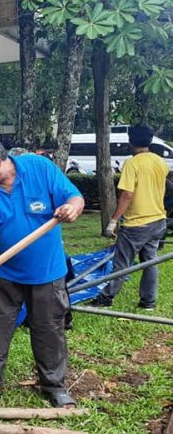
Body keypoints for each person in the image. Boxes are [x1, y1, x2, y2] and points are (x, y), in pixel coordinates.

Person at [0, 134, 84, 409]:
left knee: (49, 328)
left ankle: (54, 385)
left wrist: (72, 207)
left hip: (47, 272)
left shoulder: (38, 168)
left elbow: (74, 197)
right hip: (6, 274)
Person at [89, 125, 170, 310]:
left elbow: (127, 195)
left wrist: (113, 220)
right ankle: (148, 301)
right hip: (158, 220)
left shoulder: (132, 164)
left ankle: (106, 299)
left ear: (130, 141)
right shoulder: (160, 162)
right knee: (150, 262)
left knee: (121, 263)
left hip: (137, 224)